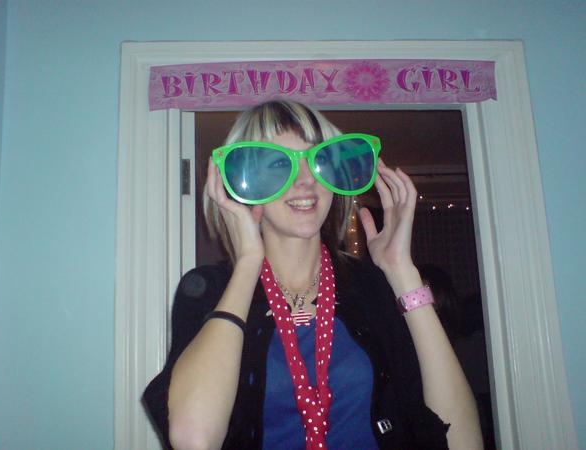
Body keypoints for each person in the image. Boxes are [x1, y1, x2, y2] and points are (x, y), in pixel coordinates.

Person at [143, 101, 482, 450]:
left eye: (319, 160)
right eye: (279, 163)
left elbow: (463, 441)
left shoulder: (371, 287)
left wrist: (402, 271)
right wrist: (247, 262)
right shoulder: (209, 289)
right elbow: (194, 439)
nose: (306, 180)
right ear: (244, 184)